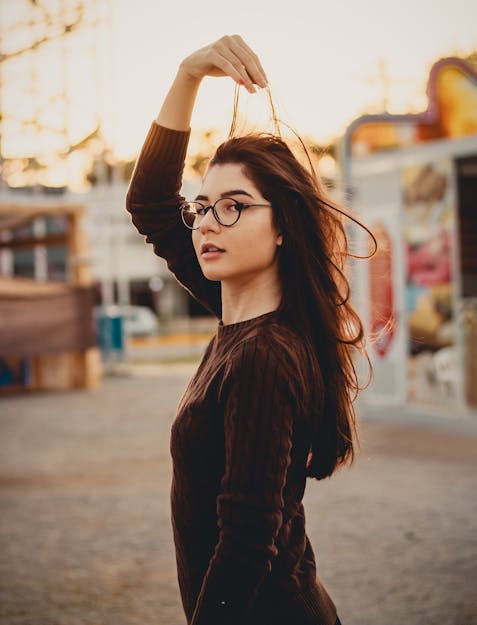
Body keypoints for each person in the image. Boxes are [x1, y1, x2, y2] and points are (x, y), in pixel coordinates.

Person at [126, 34, 369, 625]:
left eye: (234, 205)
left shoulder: (264, 354)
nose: (210, 222)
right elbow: (152, 202)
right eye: (204, 207)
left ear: (283, 225)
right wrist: (188, 74)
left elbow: (244, 545)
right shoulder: (234, 309)